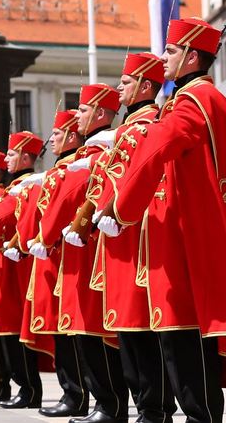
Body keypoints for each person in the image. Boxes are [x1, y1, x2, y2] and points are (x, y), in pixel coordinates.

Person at [99, 17, 226, 422]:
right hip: (184, 232)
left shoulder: (195, 99)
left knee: (185, 340)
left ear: (192, 56)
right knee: (177, 339)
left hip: (191, 235)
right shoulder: (192, 98)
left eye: (172, 51)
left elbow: (160, 146)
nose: (163, 58)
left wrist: (120, 207)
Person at [80, 53, 175, 423]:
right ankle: (142, 407)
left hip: (137, 235)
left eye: (126, 81)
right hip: (115, 237)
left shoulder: (151, 122)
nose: (119, 87)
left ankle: (156, 409)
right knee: (126, 329)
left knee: (143, 329)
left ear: (146, 86)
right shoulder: (127, 128)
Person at [34, 84, 128, 423]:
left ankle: (109, 404)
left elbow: (70, 196)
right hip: (75, 254)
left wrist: (44, 235)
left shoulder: (97, 152)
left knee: (93, 332)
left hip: (91, 253)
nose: (78, 119)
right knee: (80, 332)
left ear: (101, 113)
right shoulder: (86, 155)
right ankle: (96, 401)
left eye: (84, 111)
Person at [5, 122, 89, 420]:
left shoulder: (76, 166)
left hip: (68, 254)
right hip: (51, 254)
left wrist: (41, 238)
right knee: (61, 330)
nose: (52, 139)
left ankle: (78, 395)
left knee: (73, 331)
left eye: (57, 134)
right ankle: (72, 393)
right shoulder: (55, 171)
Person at [0, 147, 43, 410]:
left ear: (26, 158)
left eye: (12, 154)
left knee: (16, 327)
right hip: (5, 262)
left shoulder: (28, 185)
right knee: (6, 326)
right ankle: (20, 387)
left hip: (19, 264)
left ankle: (28, 389)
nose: (6, 160)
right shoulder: (12, 189)